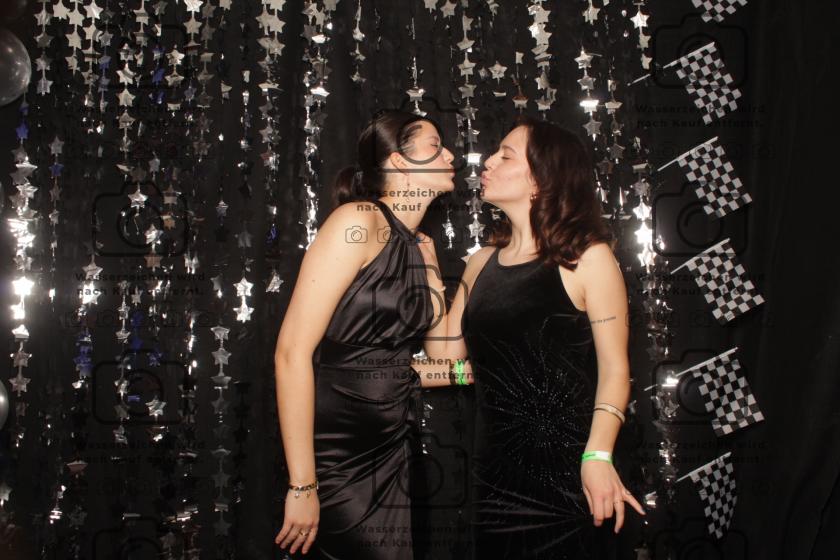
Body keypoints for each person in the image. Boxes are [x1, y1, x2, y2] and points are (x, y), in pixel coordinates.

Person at [422, 115, 645, 559]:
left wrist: (598, 457)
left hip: (570, 477)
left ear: (541, 180)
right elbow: (445, 360)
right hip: (494, 480)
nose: (487, 162)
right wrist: (427, 270)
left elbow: (616, 370)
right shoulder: (480, 262)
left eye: (505, 156)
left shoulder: (588, 258)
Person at [272, 109, 470, 559]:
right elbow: (291, 353)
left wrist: (456, 275)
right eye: (435, 146)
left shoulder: (421, 246)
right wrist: (302, 484)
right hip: (337, 455)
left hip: (393, 446)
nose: (451, 156)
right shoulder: (358, 221)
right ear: (400, 162)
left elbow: (442, 358)